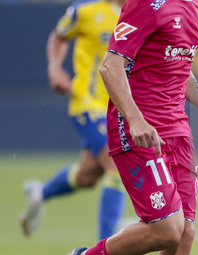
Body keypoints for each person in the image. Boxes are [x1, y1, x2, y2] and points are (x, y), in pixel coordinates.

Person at [67, 0, 198, 254]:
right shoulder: (147, 3)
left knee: (185, 233)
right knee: (167, 230)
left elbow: (180, 69)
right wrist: (135, 119)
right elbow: (110, 66)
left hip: (178, 131)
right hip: (140, 130)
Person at [20, 0, 127, 240]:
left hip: (118, 108)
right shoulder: (87, 12)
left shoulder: (141, 12)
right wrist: (54, 67)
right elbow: (59, 35)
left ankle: (40, 193)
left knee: (86, 176)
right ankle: (106, 247)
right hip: (88, 102)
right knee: (116, 164)